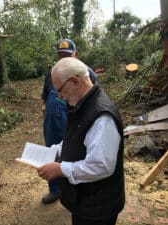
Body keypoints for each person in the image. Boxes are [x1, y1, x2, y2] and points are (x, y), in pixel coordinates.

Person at [37, 57, 125, 225]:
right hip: (84, 202)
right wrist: (55, 151)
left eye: (60, 90)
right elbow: (75, 137)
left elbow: (101, 166)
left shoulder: (101, 117)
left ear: (75, 81)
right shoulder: (81, 104)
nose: (60, 97)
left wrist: (61, 169)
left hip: (98, 208)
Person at [41, 38, 97, 204]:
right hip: (52, 120)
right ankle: (55, 190)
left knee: (74, 153)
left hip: (72, 120)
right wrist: (45, 111)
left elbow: (93, 102)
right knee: (52, 153)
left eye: (67, 55)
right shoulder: (52, 73)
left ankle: (75, 191)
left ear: (76, 54)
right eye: (60, 55)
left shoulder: (88, 73)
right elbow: (45, 96)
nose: (63, 59)